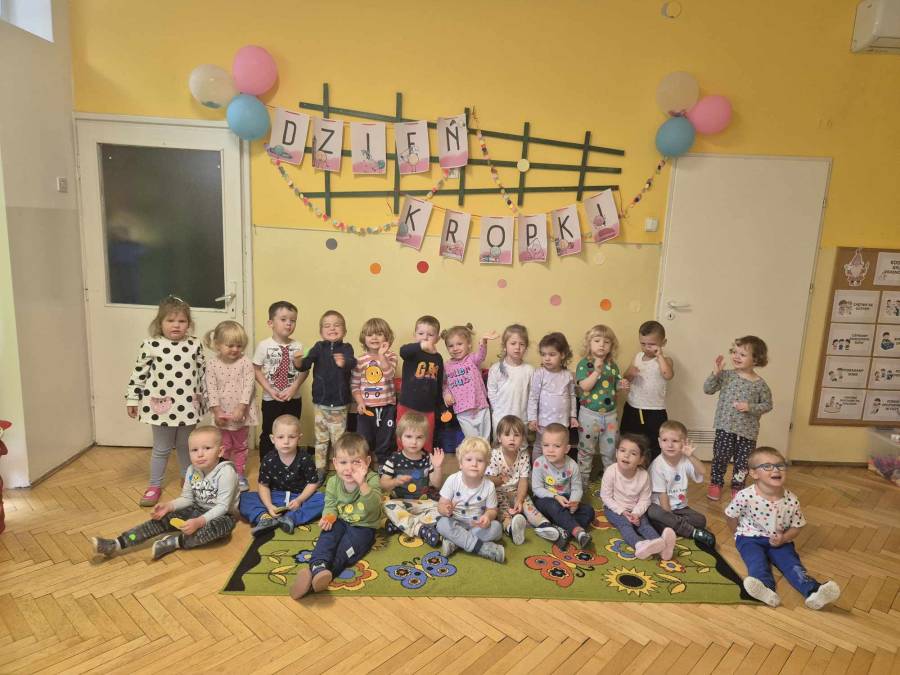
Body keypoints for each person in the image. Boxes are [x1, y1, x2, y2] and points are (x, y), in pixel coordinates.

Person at [91, 426, 238, 560]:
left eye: (207, 448)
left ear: (220, 451)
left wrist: (199, 522)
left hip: (222, 515)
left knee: (219, 527)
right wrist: (169, 506)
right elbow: (187, 498)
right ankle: (116, 544)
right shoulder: (191, 470)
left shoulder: (226, 472)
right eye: (194, 450)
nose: (200, 454)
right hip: (196, 509)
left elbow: (222, 507)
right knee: (160, 520)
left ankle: (174, 542)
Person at [725, 447, 841, 610]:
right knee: (756, 562)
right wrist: (737, 533)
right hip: (749, 538)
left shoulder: (791, 500)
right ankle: (765, 589)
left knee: (793, 565)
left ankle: (814, 592)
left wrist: (784, 538)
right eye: (767, 466)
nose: (776, 470)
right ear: (754, 473)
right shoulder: (745, 496)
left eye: (780, 465)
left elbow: (797, 527)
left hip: (780, 540)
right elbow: (730, 515)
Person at [125, 295, 206, 506]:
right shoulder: (151, 345)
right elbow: (138, 374)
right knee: (161, 449)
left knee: (186, 446)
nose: (176, 325)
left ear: (189, 323)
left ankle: (188, 480)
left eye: (181, 321)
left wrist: (209, 400)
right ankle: (154, 485)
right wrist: (132, 399)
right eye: (170, 320)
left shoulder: (195, 344)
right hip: (161, 408)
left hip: (189, 406)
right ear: (160, 323)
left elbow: (204, 374)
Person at [290, 433, 383, 599]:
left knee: (345, 551)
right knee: (327, 539)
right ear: (335, 463)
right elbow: (330, 505)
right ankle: (318, 565)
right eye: (343, 462)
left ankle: (318, 577)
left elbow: (374, 507)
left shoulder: (372, 479)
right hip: (340, 520)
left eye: (356, 462)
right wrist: (328, 517)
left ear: (367, 462)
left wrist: (362, 484)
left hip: (364, 527)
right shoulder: (333, 482)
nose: (349, 468)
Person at [703, 335, 773, 500]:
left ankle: (738, 486)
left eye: (742, 354)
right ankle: (716, 483)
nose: (736, 356)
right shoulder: (726, 375)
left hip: (747, 432)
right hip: (725, 427)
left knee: (743, 463)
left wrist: (750, 407)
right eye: (734, 352)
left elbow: (768, 405)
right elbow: (708, 389)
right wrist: (715, 373)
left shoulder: (761, 385)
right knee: (720, 457)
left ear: (756, 359)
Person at [239, 415, 324, 535]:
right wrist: (269, 505)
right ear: (272, 439)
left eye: (292, 437)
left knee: (324, 499)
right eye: (280, 437)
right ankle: (264, 519)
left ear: (299, 438)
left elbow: (312, 483)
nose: (286, 441)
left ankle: (291, 518)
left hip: (298, 497)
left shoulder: (305, 458)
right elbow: (263, 485)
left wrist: (299, 500)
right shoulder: (268, 459)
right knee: (243, 498)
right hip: (274, 496)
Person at [296, 310, 356, 480]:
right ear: (321, 332)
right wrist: (298, 361)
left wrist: (344, 362)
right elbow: (305, 363)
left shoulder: (346, 348)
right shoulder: (317, 347)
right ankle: (320, 468)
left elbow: (353, 362)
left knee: (339, 441)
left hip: (339, 404)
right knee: (321, 439)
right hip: (320, 403)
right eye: (327, 326)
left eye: (337, 325)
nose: (332, 328)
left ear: (344, 331)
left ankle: (341, 469)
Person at [600, 433, 675, 560]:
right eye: (622, 451)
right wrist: (622, 511)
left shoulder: (644, 475)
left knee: (645, 525)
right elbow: (606, 497)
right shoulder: (611, 471)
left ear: (641, 460)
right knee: (625, 525)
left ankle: (661, 546)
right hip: (614, 509)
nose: (626, 455)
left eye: (633, 453)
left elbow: (645, 499)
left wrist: (636, 513)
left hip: (635, 509)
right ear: (617, 453)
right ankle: (639, 544)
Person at [486, 415, 559, 544]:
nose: (512, 439)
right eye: (507, 435)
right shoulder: (494, 455)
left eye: (516, 435)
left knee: (528, 504)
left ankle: (544, 524)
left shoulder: (524, 455)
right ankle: (510, 528)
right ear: (499, 438)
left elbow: (523, 481)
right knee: (502, 509)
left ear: (523, 438)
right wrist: (500, 480)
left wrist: (519, 500)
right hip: (498, 491)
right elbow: (488, 480)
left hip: (516, 490)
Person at [204, 320, 258, 492]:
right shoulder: (212, 364)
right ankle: (223, 474)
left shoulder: (245, 362)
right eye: (230, 345)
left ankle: (239, 474)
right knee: (223, 446)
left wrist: (241, 408)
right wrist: (217, 411)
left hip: (241, 413)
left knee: (240, 446)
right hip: (221, 413)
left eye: (239, 346)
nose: (235, 349)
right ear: (218, 344)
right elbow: (210, 388)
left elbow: (249, 386)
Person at [646, 420, 716, 548]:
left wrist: (691, 456)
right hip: (661, 506)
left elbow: (702, 471)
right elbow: (662, 496)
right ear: (659, 442)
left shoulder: (685, 460)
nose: (670, 445)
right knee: (653, 513)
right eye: (665, 440)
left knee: (701, 520)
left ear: (683, 443)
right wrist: (669, 516)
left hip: (680, 508)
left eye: (675, 441)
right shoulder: (657, 465)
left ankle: (669, 527)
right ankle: (692, 532)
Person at [380, 412, 444, 547]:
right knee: (385, 505)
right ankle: (420, 529)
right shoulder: (394, 459)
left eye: (419, 437)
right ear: (400, 437)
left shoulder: (428, 458)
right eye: (408, 436)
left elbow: (437, 484)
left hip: (423, 503)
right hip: (400, 503)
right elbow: (383, 484)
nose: (414, 442)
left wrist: (437, 467)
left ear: (425, 438)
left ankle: (400, 523)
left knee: (443, 508)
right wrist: (394, 481)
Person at [436, 437, 506, 563]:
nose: (474, 464)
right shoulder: (452, 480)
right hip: (456, 522)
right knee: (441, 524)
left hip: (477, 526)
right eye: (469, 460)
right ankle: (481, 548)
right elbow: (441, 504)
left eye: (480, 460)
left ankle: (456, 543)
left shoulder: (489, 486)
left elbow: (492, 510)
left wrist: (487, 517)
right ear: (460, 464)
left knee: (496, 528)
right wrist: (445, 509)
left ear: (486, 465)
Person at [575, 324, 629, 487]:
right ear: (589, 344)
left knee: (610, 452)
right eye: (597, 341)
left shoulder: (612, 365)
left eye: (606, 342)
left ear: (611, 346)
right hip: (589, 415)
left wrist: (621, 385)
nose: (601, 345)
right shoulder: (584, 364)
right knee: (586, 451)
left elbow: (614, 387)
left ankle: (609, 484)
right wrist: (597, 372)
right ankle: (582, 485)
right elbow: (585, 386)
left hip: (610, 416)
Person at [531, 423, 595, 549]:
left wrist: (574, 501)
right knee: (553, 506)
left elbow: (577, 488)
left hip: (566, 501)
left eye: (556, 446)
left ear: (566, 448)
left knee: (589, 511)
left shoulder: (572, 465)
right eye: (546, 445)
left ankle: (563, 531)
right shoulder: (539, 463)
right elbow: (537, 489)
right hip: (545, 500)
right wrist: (555, 496)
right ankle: (577, 532)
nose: (550, 450)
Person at [253, 301, 304, 460]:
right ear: (271, 323)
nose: (289, 323)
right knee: (269, 431)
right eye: (283, 319)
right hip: (271, 399)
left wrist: (294, 388)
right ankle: (267, 465)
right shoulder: (264, 346)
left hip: (293, 398)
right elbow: (256, 369)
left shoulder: (298, 346)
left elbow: (304, 370)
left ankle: (290, 464)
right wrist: (269, 390)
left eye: (293, 320)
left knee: (292, 432)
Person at [621, 320, 674, 463]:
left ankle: (653, 470)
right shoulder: (638, 357)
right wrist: (630, 374)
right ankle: (631, 468)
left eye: (651, 344)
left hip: (655, 410)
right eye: (643, 343)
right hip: (633, 407)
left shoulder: (666, 360)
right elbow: (626, 377)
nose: (646, 348)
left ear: (663, 342)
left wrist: (660, 356)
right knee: (630, 441)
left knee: (655, 443)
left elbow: (668, 375)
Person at [351, 317, 398, 467]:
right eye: (370, 334)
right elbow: (355, 385)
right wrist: (360, 402)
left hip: (387, 406)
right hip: (367, 408)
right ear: (364, 338)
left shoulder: (390, 356)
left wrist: (381, 355)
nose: (374, 338)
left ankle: (384, 466)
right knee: (363, 439)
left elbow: (389, 374)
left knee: (385, 439)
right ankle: (362, 465)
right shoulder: (360, 361)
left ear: (387, 337)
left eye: (379, 334)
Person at [527, 333, 578, 461]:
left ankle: (556, 469)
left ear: (562, 355)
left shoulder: (568, 375)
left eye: (552, 354)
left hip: (562, 422)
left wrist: (573, 416)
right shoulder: (539, 374)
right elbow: (533, 397)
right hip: (544, 422)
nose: (547, 358)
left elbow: (572, 396)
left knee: (560, 447)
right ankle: (537, 469)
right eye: (543, 354)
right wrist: (532, 418)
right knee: (540, 446)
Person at [442, 324, 499, 439]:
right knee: (472, 440)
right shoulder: (446, 365)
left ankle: (486, 451)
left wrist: (483, 342)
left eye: (459, 344)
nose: (455, 348)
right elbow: (444, 383)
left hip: (480, 406)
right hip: (462, 410)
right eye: (451, 346)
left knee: (485, 439)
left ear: (468, 344)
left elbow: (481, 356)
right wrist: (446, 394)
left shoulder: (472, 359)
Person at [397, 315, 445, 452]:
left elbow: (438, 383)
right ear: (414, 335)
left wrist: (441, 406)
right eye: (421, 333)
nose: (425, 337)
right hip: (407, 404)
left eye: (430, 335)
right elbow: (403, 351)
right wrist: (420, 346)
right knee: (404, 435)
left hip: (428, 408)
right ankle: (401, 459)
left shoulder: (438, 358)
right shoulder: (412, 353)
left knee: (426, 437)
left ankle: (425, 461)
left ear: (437, 338)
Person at [487, 324, 534, 439]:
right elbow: (491, 392)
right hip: (500, 418)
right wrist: (498, 410)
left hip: (521, 418)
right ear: (505, 346)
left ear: (526, 347)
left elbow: (533, 395)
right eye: (513, 343)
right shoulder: (496, 369)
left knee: (520, 445)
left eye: (522, 344)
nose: (517, 347)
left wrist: (531, 417)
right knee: (501, 446)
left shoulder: (530, 370)